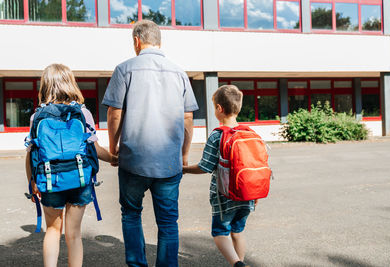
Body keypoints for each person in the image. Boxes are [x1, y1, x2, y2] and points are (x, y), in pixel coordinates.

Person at [102, 20, 198, 267]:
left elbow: (114, 113)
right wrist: (184, 154)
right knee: (167, 222)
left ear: (136, 41)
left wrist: (113, 148)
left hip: (133, 159)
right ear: (159, 41)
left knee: (131, 215)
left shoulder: (124, 69)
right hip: (169, 163)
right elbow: (188, 118)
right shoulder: (179, 72)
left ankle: (137, 265)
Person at [25, 63, 118, 267]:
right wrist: (113, 158)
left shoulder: (36, 117)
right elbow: (95, 148)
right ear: (71, 83)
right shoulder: (83, 114)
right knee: (74, 234)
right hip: (80, 179)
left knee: (52, 230)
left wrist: (32, 182)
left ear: (46, 85)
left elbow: (31, 153)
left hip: (50, 180)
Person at [183, 85, 257, 267]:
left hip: (224, 198)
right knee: (237, 231)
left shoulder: (217, 136)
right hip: (248, 195)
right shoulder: (250, 133)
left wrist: (183, 169)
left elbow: (204, 167)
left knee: (220, 233)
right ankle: (241, 263)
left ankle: (237, 264)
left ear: (219, 109)